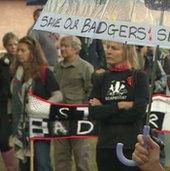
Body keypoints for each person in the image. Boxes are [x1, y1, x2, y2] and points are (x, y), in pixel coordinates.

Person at [88, 41, 149, 171]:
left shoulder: (139, 77)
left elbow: (139, 111)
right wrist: (120, 105)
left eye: (114, 48)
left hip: (131, 145)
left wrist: (105, 110)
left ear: (126, 51)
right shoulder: (101, 78)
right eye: (107, 47)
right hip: (106, 146)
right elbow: (93, 113)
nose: (108, 51)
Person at [11, 36, 62, 171]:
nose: (19, 53)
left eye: (23, 50)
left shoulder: (43, 72)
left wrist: (43, 105)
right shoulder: (17, 74)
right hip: (22, 127)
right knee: (25, 164)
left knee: (42, 163)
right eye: (18, 50)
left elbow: (58, 95)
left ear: (32, 52)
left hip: (40, 124)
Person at [53, 36, 94, 171]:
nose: (62, 48)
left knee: (82, 156)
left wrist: (84, 108)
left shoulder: (86, 67)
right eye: (61, 46)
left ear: (75, 49)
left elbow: (91, 91)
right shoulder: (57, 67)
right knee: (61, 158)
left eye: (66, 46)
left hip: (78, 118)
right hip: (59, 117)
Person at [0, 32, 19, 171]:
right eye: (10, 45)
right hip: (4, 104)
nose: (13, 47)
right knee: (4, 138)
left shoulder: (23, 62)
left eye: (15, 44)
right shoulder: (3, 64)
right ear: (5, 46)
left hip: (18, 103)